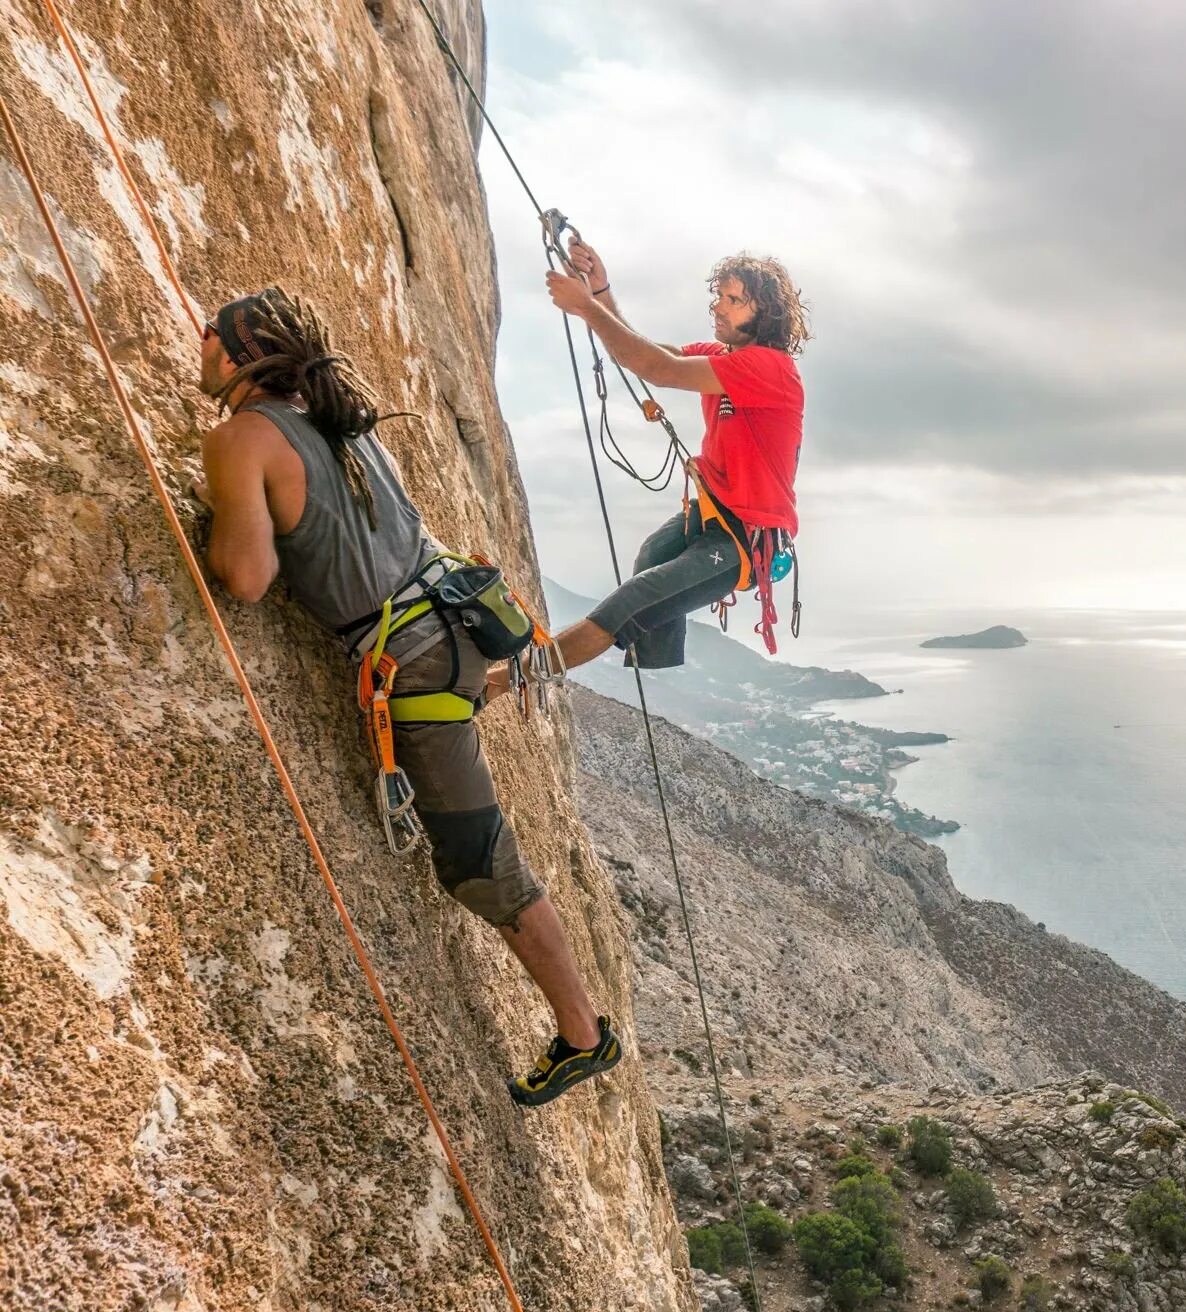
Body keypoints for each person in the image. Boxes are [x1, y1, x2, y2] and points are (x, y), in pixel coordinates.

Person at [194, 286, 620, 1107]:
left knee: (478, 863)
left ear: (238, 354)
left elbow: (247, 578)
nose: (198, 346)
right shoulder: (342, 422)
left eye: (209, 335)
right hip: (456, 623)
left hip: (415, 667)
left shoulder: (241, 438)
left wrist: (219, 509)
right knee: (481, 849)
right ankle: (580, 1029)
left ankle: (583, 1034)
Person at [494, 242, 807, 692]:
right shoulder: (726, 358)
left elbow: (655, 367)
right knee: (650, 558)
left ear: (767, 313)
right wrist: (600, 293)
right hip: (714, 515)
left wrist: (586, 308)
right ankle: (657, 659)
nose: (718, 306)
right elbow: (646, 353)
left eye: (733, 300)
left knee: (631, 601)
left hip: (746, 536)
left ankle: (501, 682)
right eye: (719, 296)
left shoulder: (769, 368)